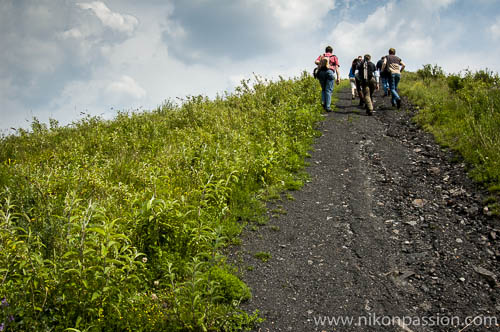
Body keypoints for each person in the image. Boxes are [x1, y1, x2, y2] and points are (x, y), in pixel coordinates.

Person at [315, 46, 340, 112]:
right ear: (331, 51)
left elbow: (316, 61)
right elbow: (337, 68)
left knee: (323, 89)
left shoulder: (322, 56)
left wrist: (321, 63)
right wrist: (338, 78)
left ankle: (323, 103)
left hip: (321, 73)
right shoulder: (334, 57)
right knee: (328, 90)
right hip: (329, 72)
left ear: (326, 51)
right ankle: (327, 107)